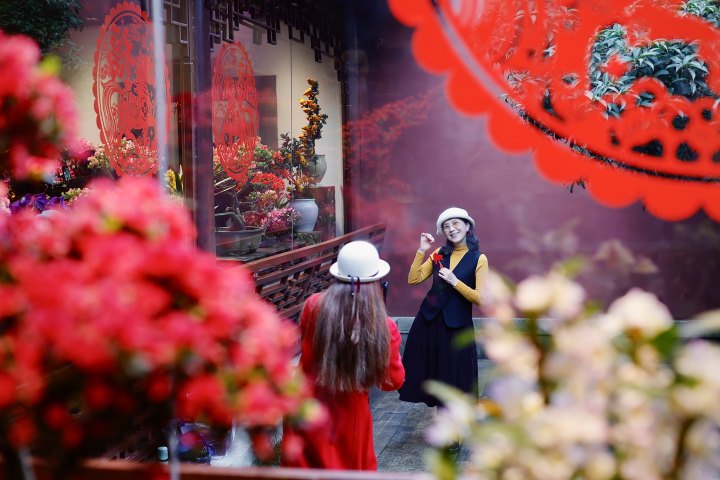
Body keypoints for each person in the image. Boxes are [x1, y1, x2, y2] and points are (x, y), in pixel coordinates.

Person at [281, 240, 405, 471]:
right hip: (349, 415)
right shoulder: (383, 327)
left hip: (305, 406)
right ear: (376, 281)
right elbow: (392, 382)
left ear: (337, 276)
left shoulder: (313, 306)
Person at [398, 207, 489, 409]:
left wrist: (455, 282)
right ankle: (440, 419)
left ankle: (454, 421)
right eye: (446, 226)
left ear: (467, 227)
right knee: (430, 373)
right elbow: (414, 279)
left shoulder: (478, 259)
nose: (451, 229)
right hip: (429, 322)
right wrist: (421, 250)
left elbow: (482, 299)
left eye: (456, 223)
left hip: (456, 326)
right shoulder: (439, 254)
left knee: (454, 378)